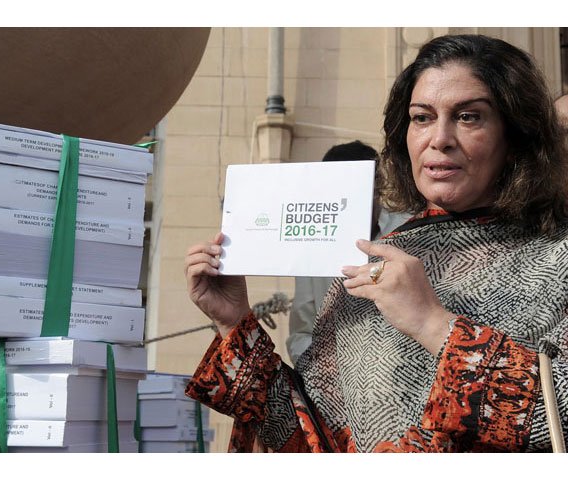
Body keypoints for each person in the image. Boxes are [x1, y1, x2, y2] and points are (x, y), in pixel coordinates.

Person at [184, 34, 568, 452]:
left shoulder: (556, 254)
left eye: (469, 116)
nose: (439, 138)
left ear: (515, 136)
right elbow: (311, 440)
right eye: (422, 117)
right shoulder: (372, 264)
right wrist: (234, 322)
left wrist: (434, 325)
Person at [286, 140, 410, 365]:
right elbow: (301, 333)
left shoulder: (410, 228)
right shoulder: (313, 247)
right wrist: (324, 371)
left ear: (377, 184)